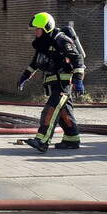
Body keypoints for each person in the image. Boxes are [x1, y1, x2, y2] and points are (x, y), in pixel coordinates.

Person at [17, 12, 85, 152]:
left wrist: (78, 81)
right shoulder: (43, 43)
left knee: (50, 110)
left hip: (63, 84)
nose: (35, 32)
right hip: (53, 83)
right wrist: (25, 76)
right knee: (63, 113)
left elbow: (77, 59)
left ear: (46, 28)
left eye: (38, 29)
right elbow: (36, 62)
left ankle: (42, 140)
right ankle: (72, 139)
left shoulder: (61, 40)